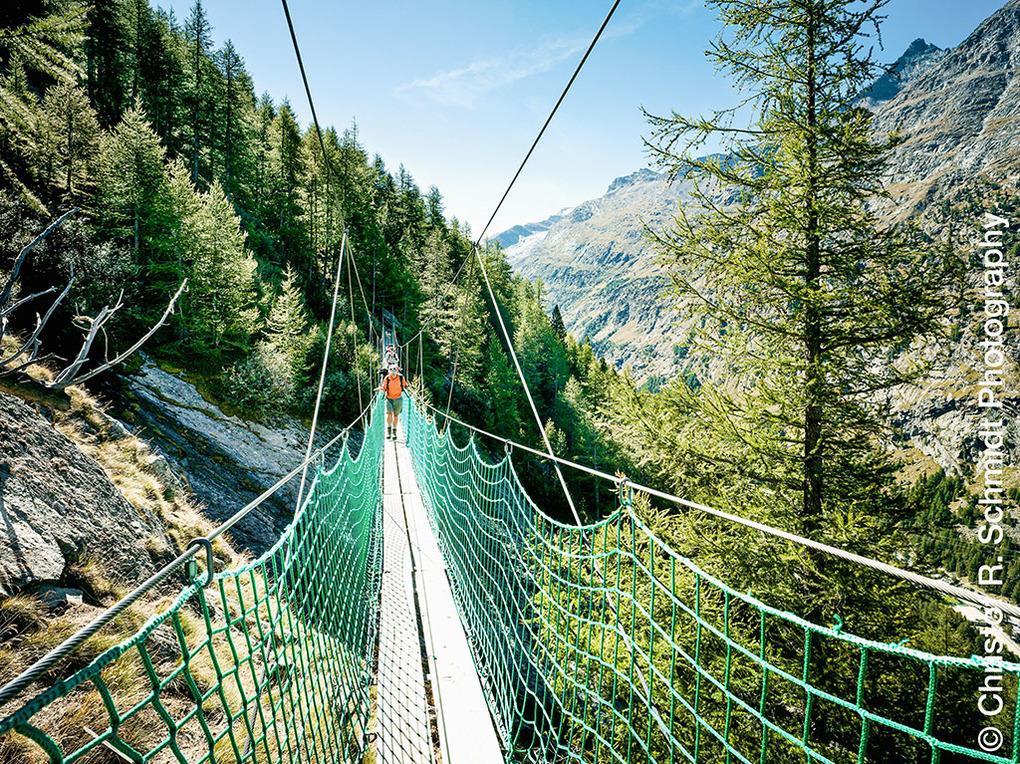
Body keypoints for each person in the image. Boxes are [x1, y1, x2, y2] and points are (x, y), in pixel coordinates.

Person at [380, 365, 408, 441]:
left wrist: (410, 390)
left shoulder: (401, 377)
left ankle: (394, 432)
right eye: (391, 369)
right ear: (389, 371)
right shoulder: (387, 378)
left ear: (397, 370)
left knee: (396, 416)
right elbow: (384, 387)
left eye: (395, 369)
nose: (393, 371)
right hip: (389, 399)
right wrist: (381, 389)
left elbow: (405, 385)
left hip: (398, 399)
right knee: (389, 414)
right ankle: (389, 432)